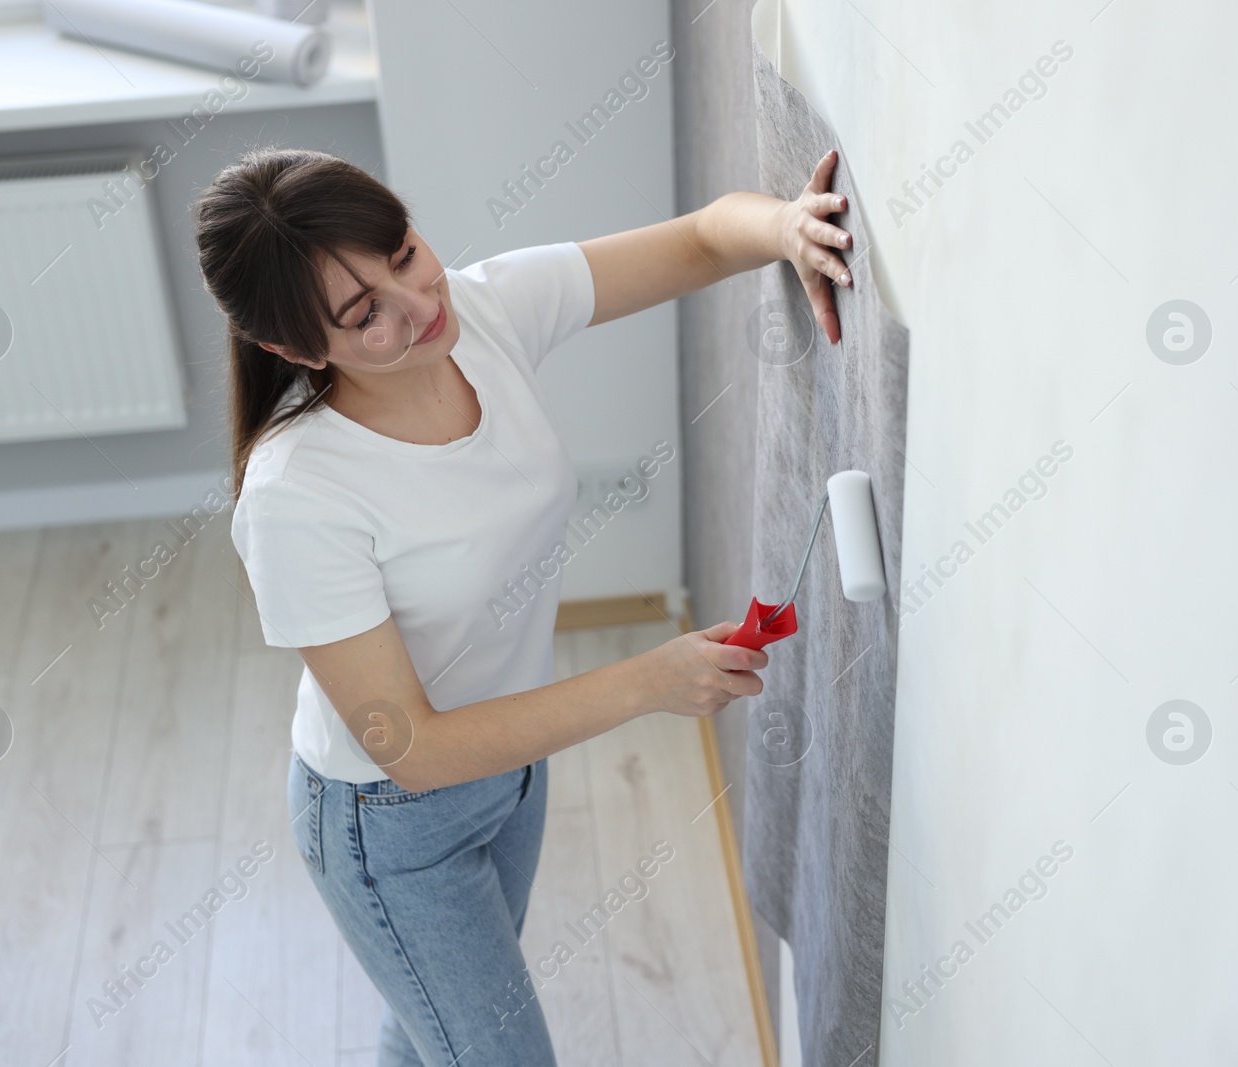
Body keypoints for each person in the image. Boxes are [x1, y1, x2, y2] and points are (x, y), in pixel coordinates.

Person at [193, 145, 854, 1067]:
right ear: (295, 349)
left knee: (427, 1026)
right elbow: (412, 745)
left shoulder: (482, 311)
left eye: (404, 254)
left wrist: (788, 228)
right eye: (365, 313)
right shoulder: (297, 494)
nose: (421, 306)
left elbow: (702, 240)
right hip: (390, 825)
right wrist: (650, 679)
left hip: (513, 768)